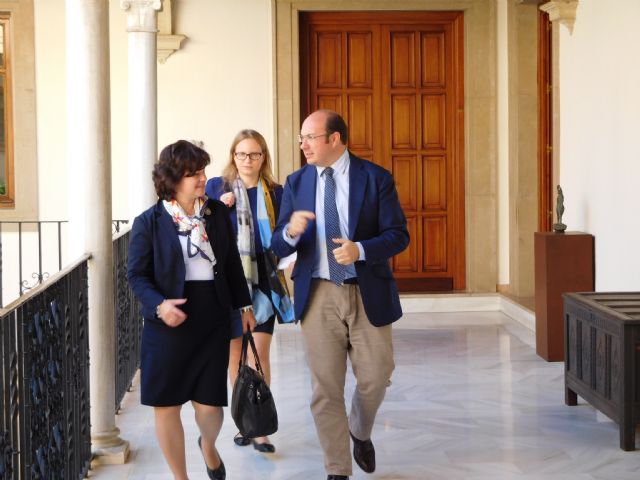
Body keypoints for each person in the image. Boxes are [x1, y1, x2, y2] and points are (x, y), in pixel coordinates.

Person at [272, 110, 409, 480]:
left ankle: (359, 430)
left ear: (335, 139)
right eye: (301, 138)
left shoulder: (375, 178)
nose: (303, 145)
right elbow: (277, 241)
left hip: (367, 292)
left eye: (310, 137)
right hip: (317, 294)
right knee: (325, 389)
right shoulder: (296, 182)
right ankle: (337, 469)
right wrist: (289, 233)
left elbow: (399, 234)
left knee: (377, 377)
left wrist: (360, 250)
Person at [127, 140, 256, 480]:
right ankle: (181, 477)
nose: (201, 179)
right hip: (167, 323)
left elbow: (230, 264)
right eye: (191, 174)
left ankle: (209, 446)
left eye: (202, 171)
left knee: (210, 406)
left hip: (211, 316)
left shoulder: (216, 214)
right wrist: (159, 305)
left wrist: (243, 305)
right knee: (167, 406)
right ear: (171, 179)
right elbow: (136, 275)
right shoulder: (148, 223)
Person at [206, 129, 294, 454]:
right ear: (233, 156)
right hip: (231, 282)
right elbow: (201, 223)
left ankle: (259, 429)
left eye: (254, 154)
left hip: (265, 282)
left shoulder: (276, 192)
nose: (247, 160)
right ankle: (244, 421)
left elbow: (285, 234)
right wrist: (216, 205)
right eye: (241, 154)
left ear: (263, 158)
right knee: (235, 357)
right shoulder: (218, 188)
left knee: (259, 353)